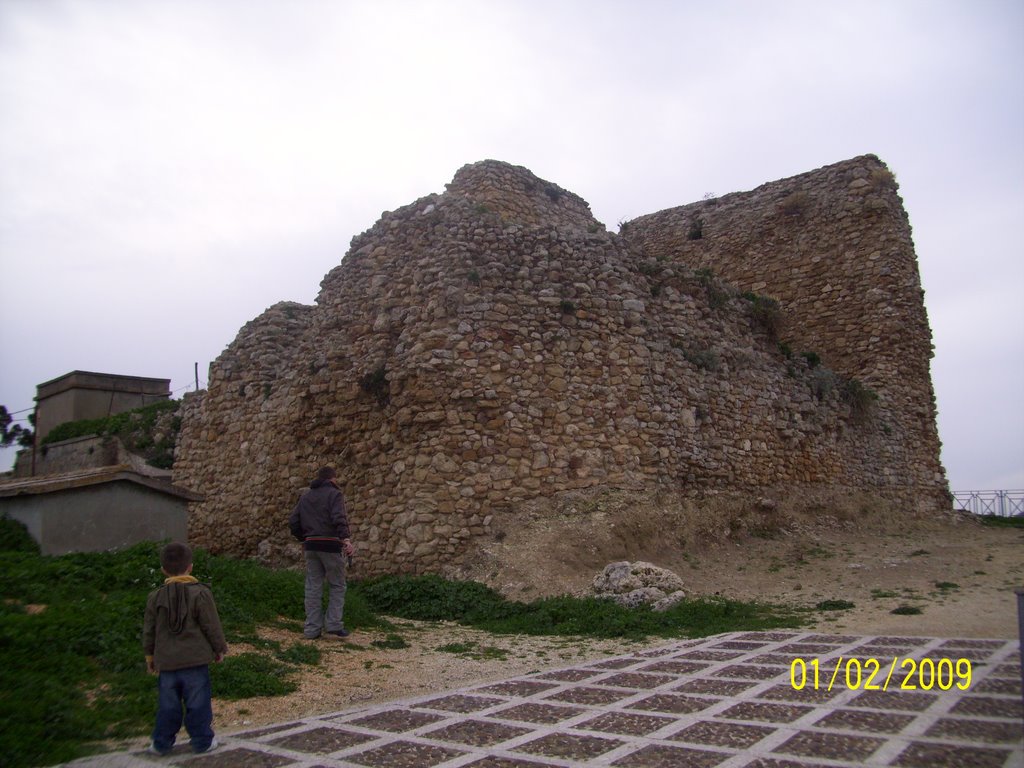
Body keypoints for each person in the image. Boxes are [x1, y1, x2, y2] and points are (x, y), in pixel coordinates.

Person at [143, 542, 228, 756]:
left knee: (167, 706)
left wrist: (149, 655)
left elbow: (149, 630)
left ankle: (161, 743)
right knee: (198, 704)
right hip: (195, 660)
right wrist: (219, 648)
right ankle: (202, 741)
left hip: (167, 662)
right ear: (190, 567)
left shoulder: (155, 597)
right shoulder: (200, 593)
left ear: (163, 569)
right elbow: (211, 624)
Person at [289, 466, 356, 639]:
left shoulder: (306, 497)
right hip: (330, 544)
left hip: (311, 545)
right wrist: (346, 539)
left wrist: (304, 538)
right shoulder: (334, 494)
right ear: (332, 479)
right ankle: (333, 627)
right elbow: (338, 517)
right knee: (337, 585)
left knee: (313, 586)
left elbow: (293, 521)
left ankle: (312, 630)